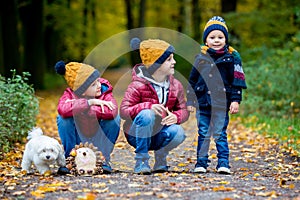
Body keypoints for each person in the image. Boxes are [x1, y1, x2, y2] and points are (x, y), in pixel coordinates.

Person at [187, 16, 247, 174]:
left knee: (220, 134)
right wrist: (190, 101)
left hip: (221, 103)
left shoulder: (231, 59)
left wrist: (235, 100)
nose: (216, 40)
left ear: (225, 40)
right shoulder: (200, 59)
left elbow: (237, 82)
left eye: (220, 37)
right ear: (206, 41)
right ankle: (201, 163)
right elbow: (192, 81)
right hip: (203, 103)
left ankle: (223, 163)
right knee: (203, 133)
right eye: (212, 37)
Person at [120, 38, 189, 174]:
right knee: (147, 114)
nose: (174, 62)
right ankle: (141, 161)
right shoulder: (137, 85)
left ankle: (161, 158)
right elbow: (123, 111)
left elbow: (183, 110)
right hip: (137, 134)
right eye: (169, 59)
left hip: (160, 133)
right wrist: (148, 106)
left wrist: (176, 116)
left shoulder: (176, 85)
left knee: (179, 132)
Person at [55, 61, 120, 174]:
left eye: (98, 80)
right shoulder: (69, 94)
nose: (99, 85)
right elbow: (63, 109)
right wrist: (89, 103)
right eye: (93, 84)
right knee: (63, 118)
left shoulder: (105, 92)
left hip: (98, 139)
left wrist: (82, 110)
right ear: (82, 91)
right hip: (78, 141)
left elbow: (112, 111)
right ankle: (70, 159)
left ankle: (103, 159)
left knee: (115, 119)